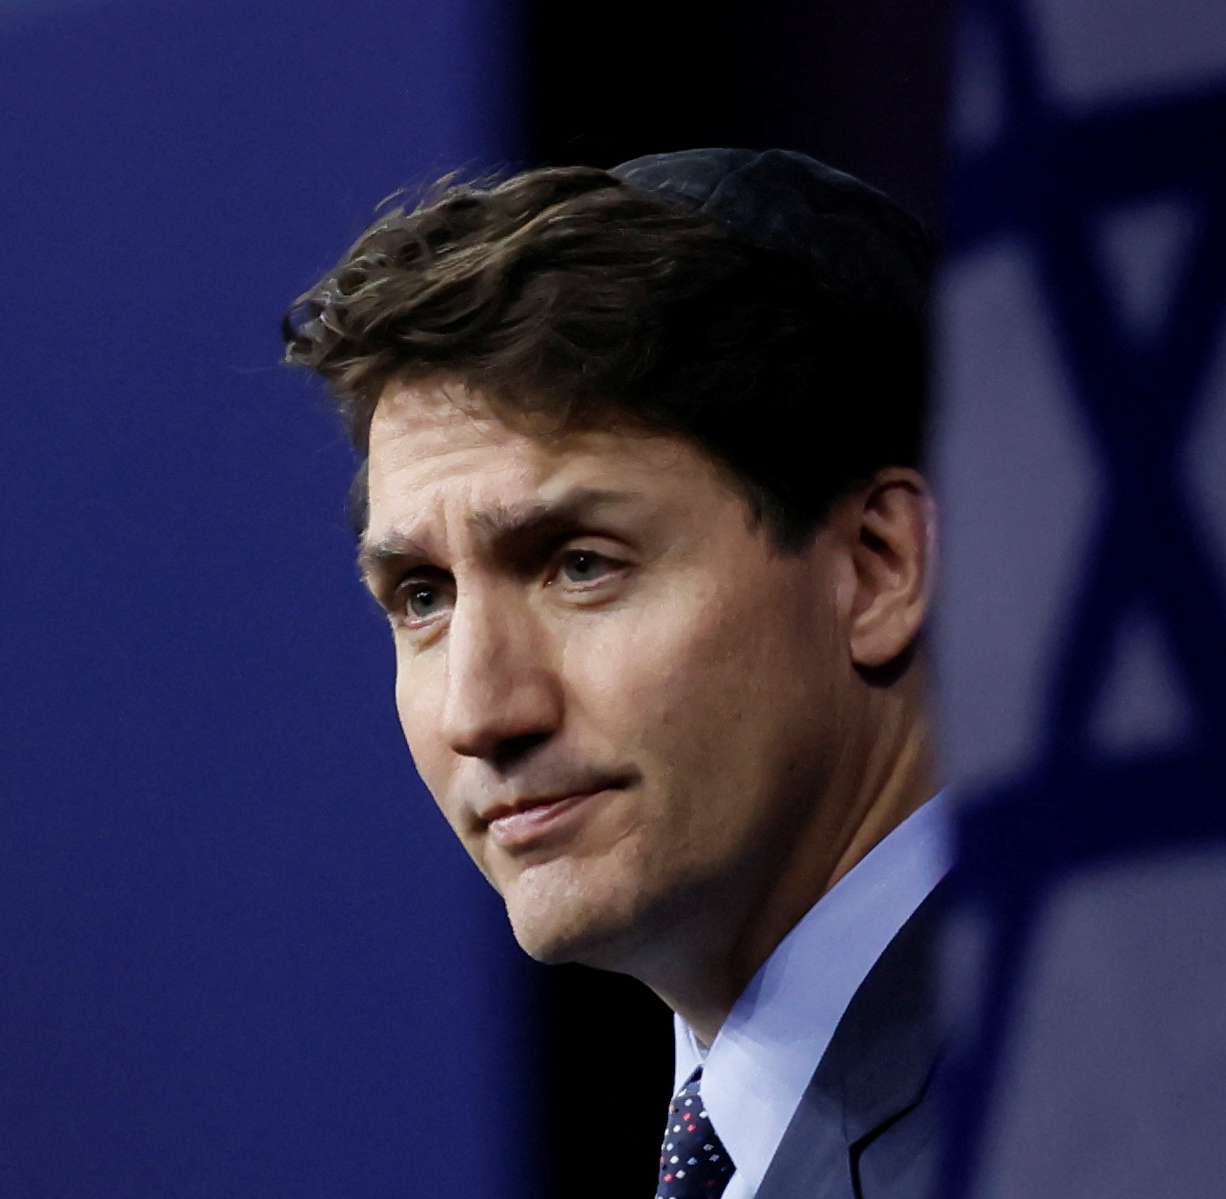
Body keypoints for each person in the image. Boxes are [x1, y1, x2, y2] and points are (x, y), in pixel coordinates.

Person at [283, 148, 944, 1199]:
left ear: (876, 569)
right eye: (422, 597)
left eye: (580, 565)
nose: (481, 710)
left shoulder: (1086, 1117)